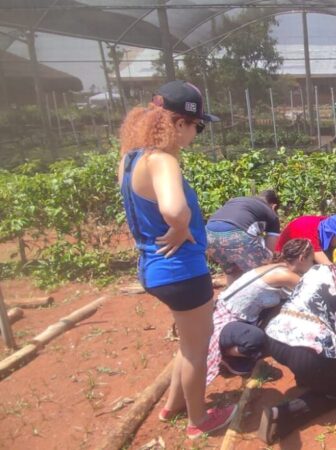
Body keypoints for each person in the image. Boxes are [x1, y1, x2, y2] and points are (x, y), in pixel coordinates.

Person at [118, 80, 236, 439]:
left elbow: (138, 208)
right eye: (197, 126)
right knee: (198, 346)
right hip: (181, 270)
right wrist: (182, 224)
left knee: (188, 343)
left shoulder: (131, 158)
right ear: (178, 123)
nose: (196, 134)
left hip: (153, 267)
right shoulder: (162, 159)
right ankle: (199, 420)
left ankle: (174, 404)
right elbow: (172, 207)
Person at [259, 234, 336, 444]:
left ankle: (307, 377)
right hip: (309, 349)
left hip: (276, 337)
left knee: (309, 364)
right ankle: (281, 415)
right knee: (334, 393)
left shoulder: (316, 269)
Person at [206, 238, 315, 385]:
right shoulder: (285, 275)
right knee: (257, 340)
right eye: (311, 260)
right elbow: (314, 291)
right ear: (302, 259)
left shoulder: (280, 267)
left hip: (235, 314)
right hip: (226, 320)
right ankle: (225, 353)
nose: (312, 264)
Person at [206, 190, 282, 284]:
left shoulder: (237, 200)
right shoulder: (271, 213)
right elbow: (270, 250)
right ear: (274, 206)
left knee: (233, 272)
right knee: (263, 268)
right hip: (236, 233)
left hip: (209, 234)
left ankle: (231, 296)